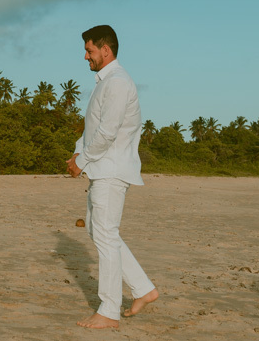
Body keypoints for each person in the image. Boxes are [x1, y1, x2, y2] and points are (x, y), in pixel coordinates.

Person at [65, 24, 159, 329]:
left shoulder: (117, 82)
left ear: (106, 50)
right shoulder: (106, 82)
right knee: (99, 231)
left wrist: (82, 161)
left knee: (105, 235)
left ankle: (108, 310)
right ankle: (143, 289)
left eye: (89, 50)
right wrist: (78, 155)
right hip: (102, 167)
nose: (86, 56)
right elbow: (93, 128)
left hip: (111, 169)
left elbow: (107, 132)